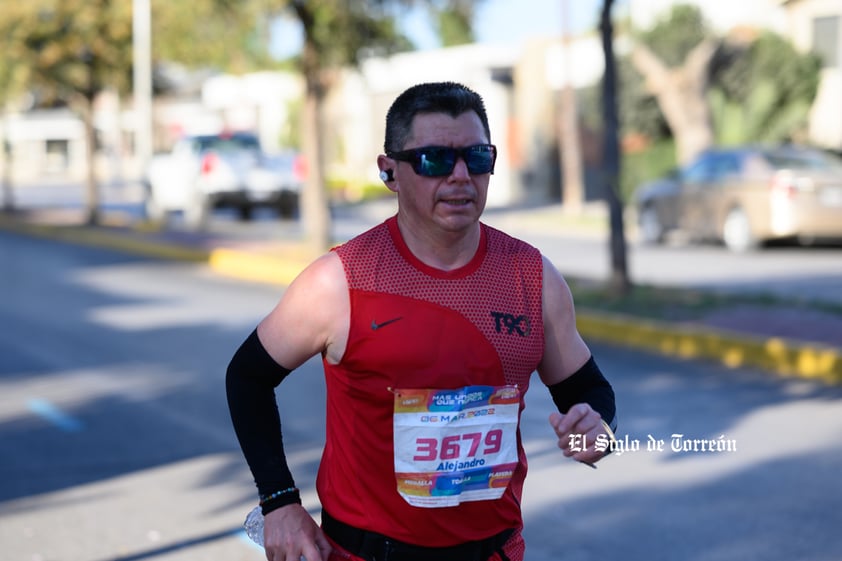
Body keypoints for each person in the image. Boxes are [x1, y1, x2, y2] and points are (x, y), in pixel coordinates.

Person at [226, 81, 617, 561]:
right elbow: (247, 377)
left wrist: (594, 436)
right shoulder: (339, 282)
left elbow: (588, 392)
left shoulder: (532, 278)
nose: (459, 176)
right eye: (434, 159)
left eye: (476, 158)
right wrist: (278, 502)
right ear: (390, 171)